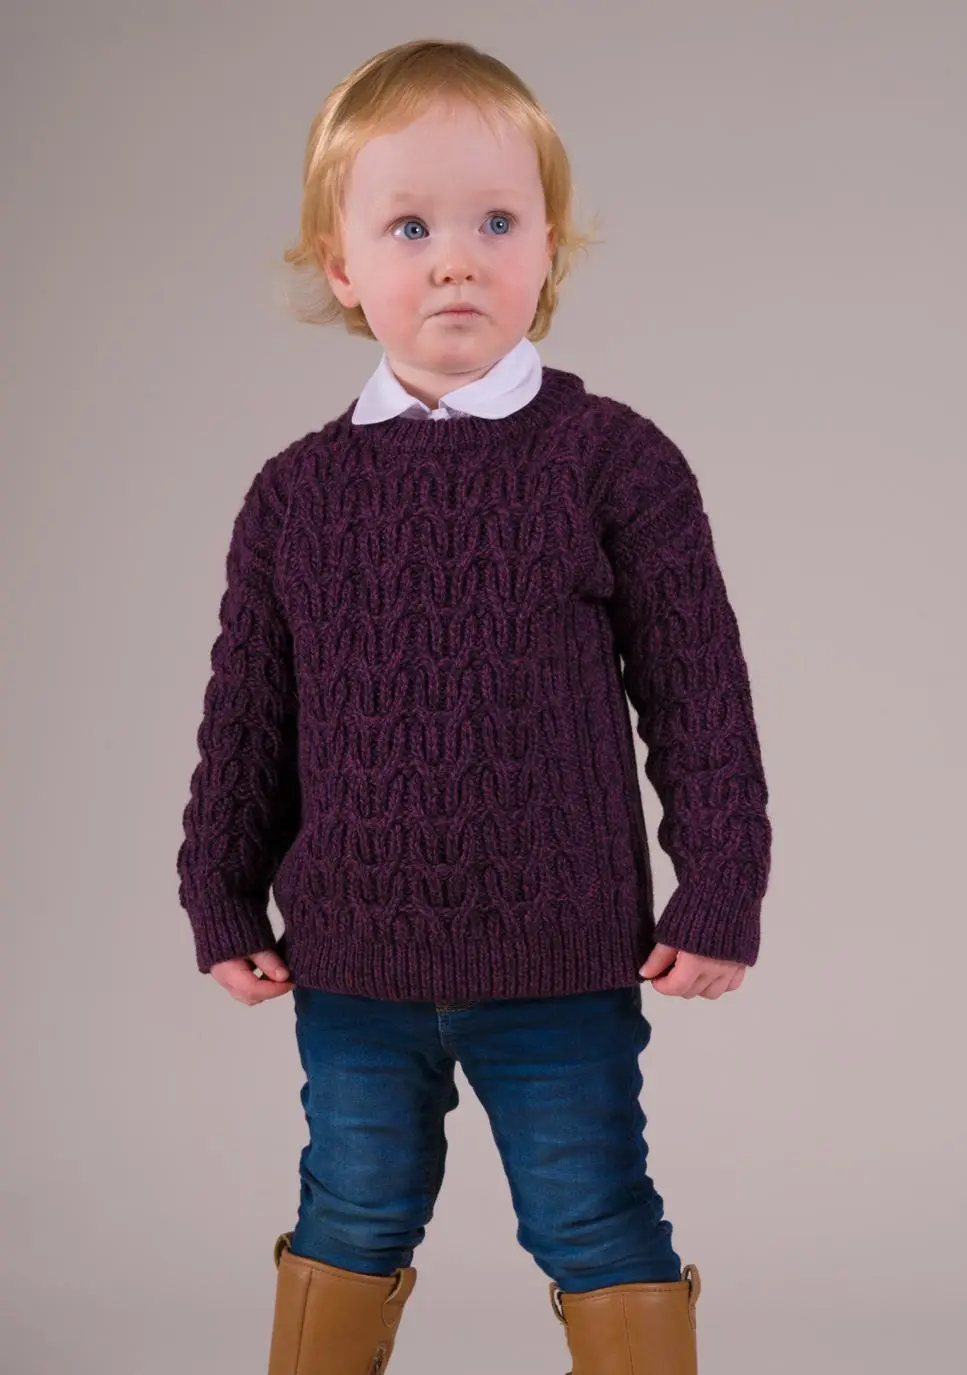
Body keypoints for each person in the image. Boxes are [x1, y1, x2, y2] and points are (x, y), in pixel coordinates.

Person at [176, 37, 772, 1375]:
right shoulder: (295, 495)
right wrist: (218, 890)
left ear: (549, 249)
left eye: (496, 222)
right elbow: (248, 719)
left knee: (595, 1216)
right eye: (410, 228)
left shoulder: (613, 461)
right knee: (349, 1213)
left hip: (561, 957)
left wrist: (723, 881)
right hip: (354, 962)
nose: (456, 260)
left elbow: (700, 692)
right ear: (341, 266)